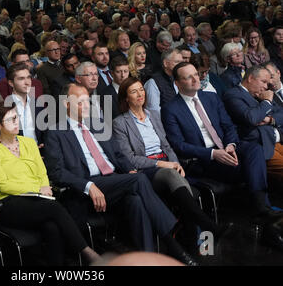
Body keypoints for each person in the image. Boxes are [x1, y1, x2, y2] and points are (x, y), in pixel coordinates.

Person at [43, 83, 198, 265]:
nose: (86, 105)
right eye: (80, 101)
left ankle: (147, 259)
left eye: (87, 100)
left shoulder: (98, 124)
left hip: (115, 180)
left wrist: (128, 171)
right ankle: (173, 239)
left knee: (137, 201)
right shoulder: (55, 132)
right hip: (87, 187)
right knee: (139, 179)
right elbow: (56, 172)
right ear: (66, 104)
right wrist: (89, 186)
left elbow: (118, 155)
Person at [113, 76, 230, 249]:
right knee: (173, 177)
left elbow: (167, 146)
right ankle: (208, 227)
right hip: (146, 172)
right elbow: (130, 158)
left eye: (141, 89)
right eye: (133, 91)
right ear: (125, 98)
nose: (140, 94)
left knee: (183, 186)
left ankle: (192, 239)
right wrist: (164, 165)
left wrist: (176, 163)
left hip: (169, 167)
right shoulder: (120, 123)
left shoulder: (153, 115)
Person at [0, 102, 100, 265]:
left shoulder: (29, 143)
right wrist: (37, 188)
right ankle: (87, 251)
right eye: (10, 120)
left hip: (37, 199)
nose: (16, 122)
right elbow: (4, 185)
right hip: (9, 203)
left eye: (16, 117)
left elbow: (42, 172)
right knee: (53, 208)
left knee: (51, 226)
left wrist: (45, 188)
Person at [161, 62, 281, 222]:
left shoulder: (211, 97)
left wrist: (231, 145)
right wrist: (213, 154)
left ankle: (261, 208)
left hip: (226, 149)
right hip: (204, 159)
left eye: (196, 74)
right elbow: (179, 145)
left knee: (254, 149)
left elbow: (229, 127)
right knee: (252, 166)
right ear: (177, 83)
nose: (195, 79)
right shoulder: (170, 108)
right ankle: (262, 208)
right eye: (188, 77)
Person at [223, 65, 283, 182]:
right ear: (250, 78)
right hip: (260, 146)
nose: (266, 87)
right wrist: (266, 102)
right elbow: (251, 118)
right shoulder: (233, 94)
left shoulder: (260, 94)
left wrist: (269, 119)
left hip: (274, 140)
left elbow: (281, 113)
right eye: (264, 82)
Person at [144, 49, 183, 115]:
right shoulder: (153, 82)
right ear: (165, 63)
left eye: (181, 63)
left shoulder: (179, 78)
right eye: (177, 62)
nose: (181, 66)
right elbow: (154, 112)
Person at [100, 56, 130, 120]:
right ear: (112, 73)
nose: (123, 75)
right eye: (118, 72)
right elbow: (108, 121)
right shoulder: (105, 94)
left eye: (125, 71)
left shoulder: (134, 88)